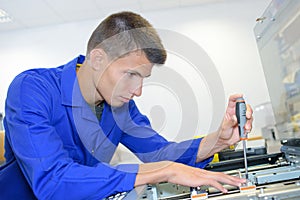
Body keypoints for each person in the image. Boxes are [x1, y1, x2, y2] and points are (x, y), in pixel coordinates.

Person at [0, 11, 253, 199]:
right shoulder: (32, 90)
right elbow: (53, 180)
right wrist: (161, 172)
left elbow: (161, 154)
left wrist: (218, 140)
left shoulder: (120, 107)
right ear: (98, 59)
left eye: (143, 78)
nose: (138, 90)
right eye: (130, 74)